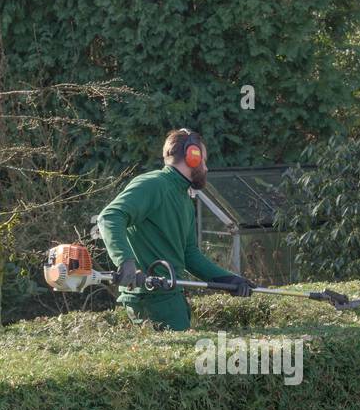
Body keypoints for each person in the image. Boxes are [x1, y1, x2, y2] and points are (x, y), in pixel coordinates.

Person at [97, 128, 254, 331]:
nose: (206, 168)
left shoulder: (184, 199)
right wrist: (125, 261)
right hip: (150, 298)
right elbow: (109, 217)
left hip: (171, 297)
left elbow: (190, 255)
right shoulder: (153, 184)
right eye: (204, 160)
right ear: (193, 158)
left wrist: (229, 280)